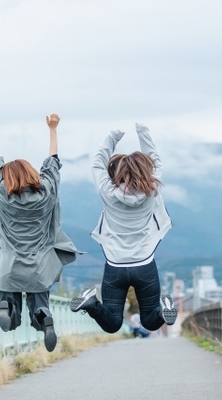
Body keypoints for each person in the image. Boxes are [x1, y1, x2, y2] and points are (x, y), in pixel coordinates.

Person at [0, 113, 80, 352]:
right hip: (38, 268)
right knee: (38, 304)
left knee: (10, 317)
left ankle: (7, 307)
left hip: (10, 267)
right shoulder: (47, 192)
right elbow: (53, 161)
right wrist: (53, 129)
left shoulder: (2, 193)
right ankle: (43, 314)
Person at [69, 123, 178, 334]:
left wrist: (113, 136)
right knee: (150, 321)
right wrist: (143, 132)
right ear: (146, 170)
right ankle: (163, 311)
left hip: (115, 266)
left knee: (113, 323)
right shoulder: (152, 190)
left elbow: (97, 163)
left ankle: (92, 304)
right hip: (144, 264)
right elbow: (155, 159)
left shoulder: (107, 191)